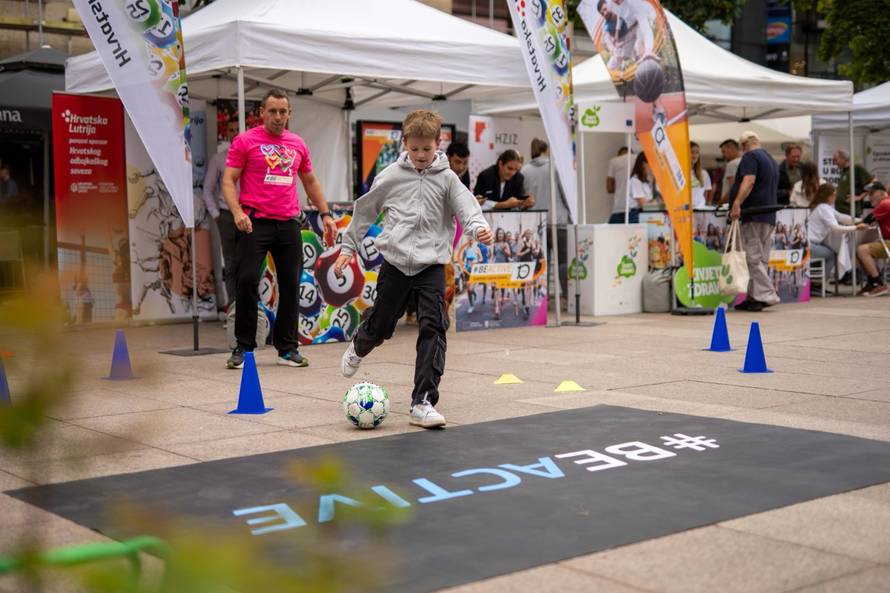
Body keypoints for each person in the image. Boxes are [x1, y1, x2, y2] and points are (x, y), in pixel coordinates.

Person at [336, 109, 492, 428]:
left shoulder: (448, 180)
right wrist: (347, 249)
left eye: (427, 148)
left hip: (431, 265)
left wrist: (478, 229)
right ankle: (362, 342)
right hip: (395, 263)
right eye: (415, 148)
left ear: (439, 143)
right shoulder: (391, 176)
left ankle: (422, 402)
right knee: (382, 325)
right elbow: (364, 212)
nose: (421, 155)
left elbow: (468, 208)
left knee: (434, 326)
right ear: (404, 142)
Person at [222, 89, 337, 370]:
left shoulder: (297, 143)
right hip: (254, 222)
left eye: (282, 112)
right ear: (262, 113)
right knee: (247, 280)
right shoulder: (246, 141)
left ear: (289, 114)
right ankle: (244, 347)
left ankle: (287, 348)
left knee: (290, 284)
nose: (277, 117)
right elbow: (228, 180)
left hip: (288, 223)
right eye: (272, 111)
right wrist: (237, 212)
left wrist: (326, 215)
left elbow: (310, 182)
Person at [730, 131, 781, 312]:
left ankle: (767, 294)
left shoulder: (750, 157)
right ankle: (754, 297)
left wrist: (736, 203)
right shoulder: (770, 158)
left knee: (752, 257)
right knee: (760, 258)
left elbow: (749, 180)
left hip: (753, 213)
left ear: (743, 145)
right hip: (768, 214)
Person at [521, 138, 570, 296]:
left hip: (537, 222)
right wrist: (571, 214)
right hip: (558, 220)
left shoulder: (525, 170)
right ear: (546, 150)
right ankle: (567, 296)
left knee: (542, 262)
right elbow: (565, 194)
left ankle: (543, 297)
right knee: (563, 261)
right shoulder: (555, 167)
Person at [203, 117, 241, 307]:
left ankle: (253, 307)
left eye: (238, 129)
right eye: (231, 130)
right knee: (231, 262)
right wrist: (216, 215)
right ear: (227, 133)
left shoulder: (252, 157)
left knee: (251, 262)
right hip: (227, 216)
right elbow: (207, 190)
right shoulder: (218, 159)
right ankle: (233, 306)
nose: (235, 133)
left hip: (250, 215)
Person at [807, 183, 867, 287]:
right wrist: (856, 227)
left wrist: (862, 220)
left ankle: (817, 282)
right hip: (810, 245)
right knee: (831, 254)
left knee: (830, 252)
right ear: (828, 196)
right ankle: (818, 284)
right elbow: (836, 227)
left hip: (810, 243)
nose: (835, 197)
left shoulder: (822, 207)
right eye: (834, 195)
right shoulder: (824, 208)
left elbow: (841, 217)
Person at [856, 181, 890, 297]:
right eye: (869, 194)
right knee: (861, 249)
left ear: (881, 193)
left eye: (872, 193)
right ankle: (872, 281)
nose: (869, 197)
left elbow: (866, 221)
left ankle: (878, 283)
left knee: (862, 250)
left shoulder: (885, 204)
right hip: (887, 241)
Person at [614, 152, 653, 224]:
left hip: (643, 214)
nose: (652, 166)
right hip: (637, 215)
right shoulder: (635, 181)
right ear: (644, 164)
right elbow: (643, 204)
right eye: (651, 162)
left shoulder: (645, 181)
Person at [832, 149, 873, 217]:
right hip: (841, 212)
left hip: (851, 212)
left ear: (843, 158)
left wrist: (860, 197)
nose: (834, 163)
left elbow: (873, 183)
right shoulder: (844, 171)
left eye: (835, 160)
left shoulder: (856, 168)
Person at [607, 146, 633, 223]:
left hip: (618, 208)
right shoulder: (637, 159)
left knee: (612, 233)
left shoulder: (614, 161)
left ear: (618, 155)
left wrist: (620, 186)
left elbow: (609, 188)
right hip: (635, 209)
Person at [718, 139, 741, 205]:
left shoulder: (732, 164)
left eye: (724, 151)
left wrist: (721, 203)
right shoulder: (744, 161)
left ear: (731, 149)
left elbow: (733, 188)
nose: (723, 155)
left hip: (730, 204)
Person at [690, 141, 712, 208]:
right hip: (685, 211)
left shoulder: (704, 173)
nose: (695, 155)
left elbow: (706, 193)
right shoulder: (680, 173)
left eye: (697, 152)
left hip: (700, 211)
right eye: (692, 152)